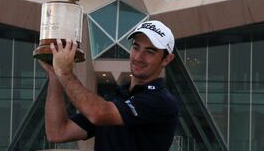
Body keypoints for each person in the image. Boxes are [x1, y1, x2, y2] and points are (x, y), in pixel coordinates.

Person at [39, 20, 179, 151]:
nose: (138, 57)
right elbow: (58, 132)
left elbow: (98, 114)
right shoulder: (116, 99)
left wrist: (64, 73)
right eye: (136, 47)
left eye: (150, 52)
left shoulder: (161, 101)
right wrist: (55, 75)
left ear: (167, 59)